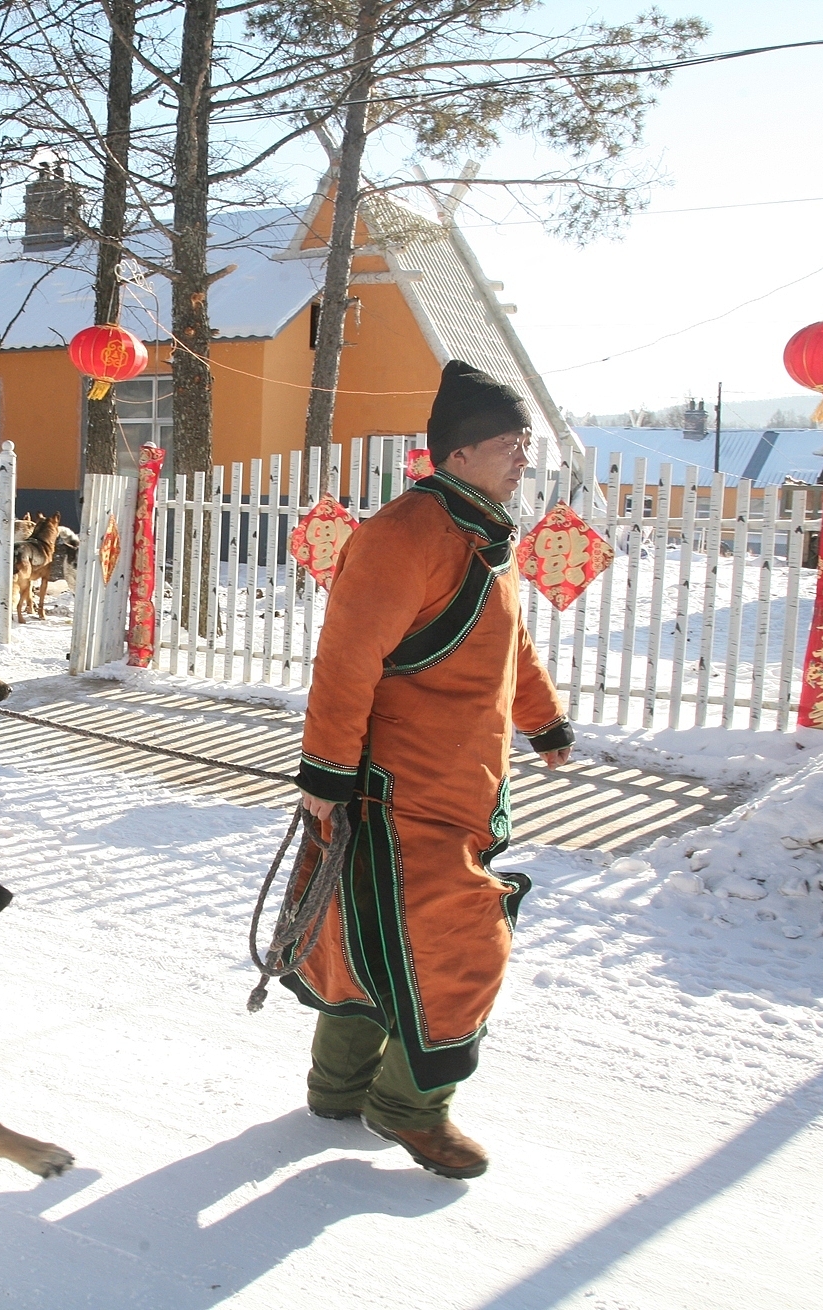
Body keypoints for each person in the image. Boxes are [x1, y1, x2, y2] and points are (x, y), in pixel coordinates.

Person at [285, 358, 574, 1180]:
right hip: (397, 798)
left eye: (525, 442)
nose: (524, 456)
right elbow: (345, 662)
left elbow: (510, 645)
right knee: (457, 950)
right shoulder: (403, 535)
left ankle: (339, 1087)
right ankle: (409, 1108)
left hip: (463, 790)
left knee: (367, 937)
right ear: (458, 454)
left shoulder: (482, 534)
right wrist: (327, 776)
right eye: (511, 443)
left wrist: (543, 723)